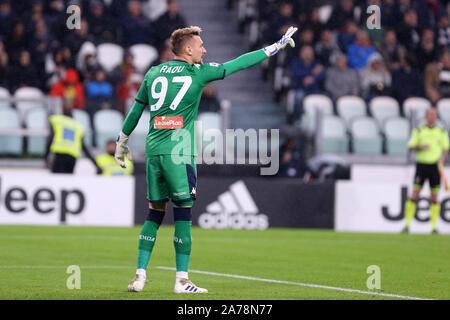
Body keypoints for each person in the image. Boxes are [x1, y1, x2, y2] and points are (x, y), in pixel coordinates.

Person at [114, 25, 298, 293]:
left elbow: (136, 110)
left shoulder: (153, 73)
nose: (205, 49)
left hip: (154, 152)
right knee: (183, 215)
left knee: (154, 213)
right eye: (201, 45)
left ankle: (139, 276)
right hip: (180, 153)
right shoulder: (198, 73)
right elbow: (238, 64)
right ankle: (182, 281)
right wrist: (274, 46)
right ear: (188, 49)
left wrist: (122, 141)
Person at [403, 108, 449, 234]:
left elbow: (446, 148)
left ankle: (434, 227)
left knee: (434, 197)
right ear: (426, 116)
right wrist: (420, 146)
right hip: (422, 166)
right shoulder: (419, 130)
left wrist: (443, 158)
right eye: (430, 115)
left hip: (435, 166)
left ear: (436, 117)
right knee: (414, 194)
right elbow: (410, 146)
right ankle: (407, 225)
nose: (432, 117)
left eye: (434, 115)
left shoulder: (441, 131)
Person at [45, 106, 101, 174]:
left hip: (60, 154)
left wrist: (46, 156)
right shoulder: (78, 127)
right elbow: (84, 148)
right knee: (68, 181)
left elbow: (51, 139)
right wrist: (95, 164)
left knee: (57, 180)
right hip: (72, 157)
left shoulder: (57, 121)